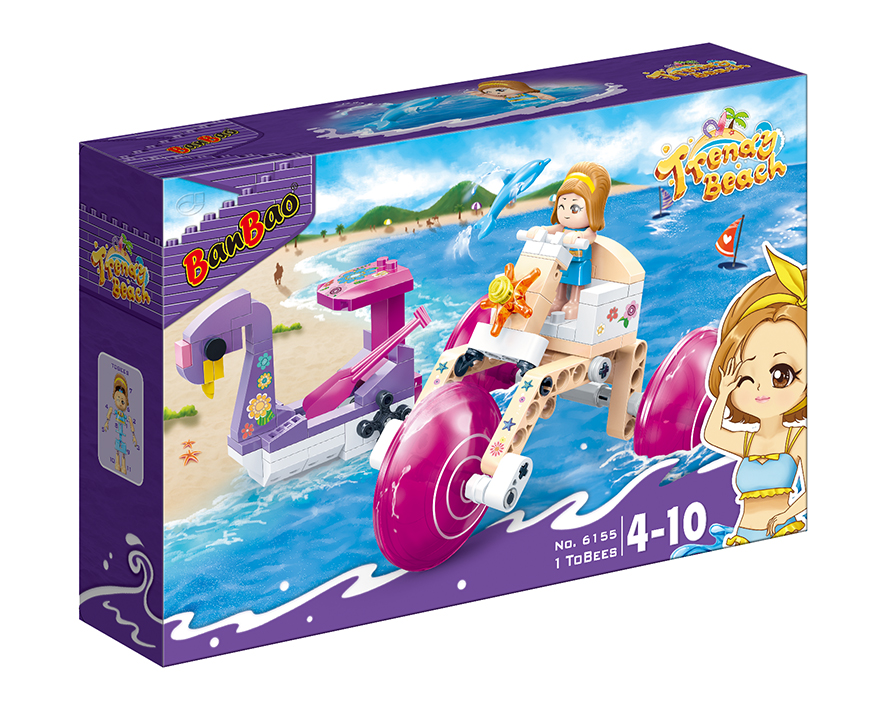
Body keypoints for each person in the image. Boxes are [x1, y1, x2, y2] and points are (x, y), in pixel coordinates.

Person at [703, 244, 807, 545]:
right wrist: (724, 393)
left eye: (781, 375)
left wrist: (786, 515)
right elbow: (712, 435)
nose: (760, 389)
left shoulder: (797, 439)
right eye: (746, 378)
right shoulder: (747, 442)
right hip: (743, 535)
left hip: (783, 531)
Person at [527, 162, 611, 319]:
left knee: (577, 280)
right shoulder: (562, 227)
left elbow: (591, 236)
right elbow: (552, 228)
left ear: (592, 209)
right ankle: (559, 299)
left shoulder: (585, 230)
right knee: (560, 278)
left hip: (578, 261)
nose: (566, 213)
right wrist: (541, 230)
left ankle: (575, 301)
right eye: (561, 206)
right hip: (561, 260)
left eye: (574, 209)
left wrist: (580, 236)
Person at [103, 374, 138, 474]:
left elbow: (130, 423)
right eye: (117, 399)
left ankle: (123, 467)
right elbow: (110, 411)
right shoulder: (116, 412)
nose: (119, 402)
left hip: (124, 435)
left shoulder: (126, 417)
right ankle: (117, 464)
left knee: (123, 452)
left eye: (122, 400)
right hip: (118, 433)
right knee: (117, 450)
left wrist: (134, 436)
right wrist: (107, 422)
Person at [469, 80, 555, 103]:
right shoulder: (507, 97)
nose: (497, 93)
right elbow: (496, 98)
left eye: (501, 90)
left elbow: (539, 95)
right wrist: (483, 95)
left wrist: (547, 97)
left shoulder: (526, 94)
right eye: (488, 92)